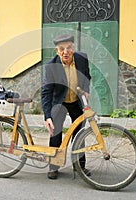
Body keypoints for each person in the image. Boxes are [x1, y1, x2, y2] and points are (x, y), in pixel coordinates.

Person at [41, 34, 91, 179]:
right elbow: (47, 92)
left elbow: (87, 76)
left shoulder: (82, 59)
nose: (65, 52)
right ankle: (54, 166)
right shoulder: (51, 66)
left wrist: (86, 90)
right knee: (55, 133)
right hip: (60, 102)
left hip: (76, 100)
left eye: (69, 48)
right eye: (62, 49)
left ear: (73, 48)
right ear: (57, 51)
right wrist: (47, 116)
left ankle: (80, 166)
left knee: (79, 134)